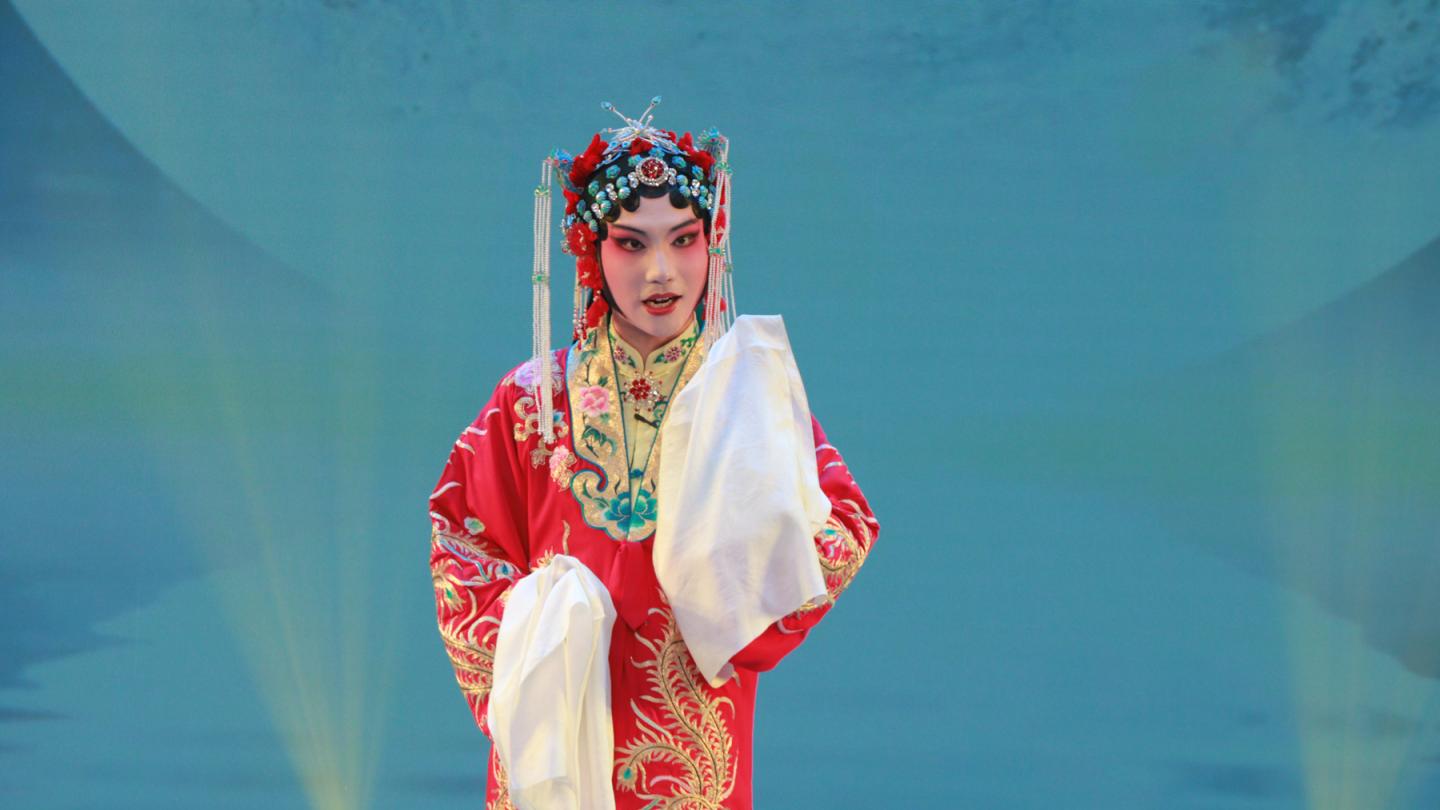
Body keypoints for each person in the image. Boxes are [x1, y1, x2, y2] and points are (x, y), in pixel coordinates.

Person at [428, 98, 879, 809]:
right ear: (592, 250)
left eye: (684, 239)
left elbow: (843, 521)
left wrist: (738, 596)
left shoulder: (745, 397)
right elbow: (462, 538)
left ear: (713, 243)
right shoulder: (532, 401)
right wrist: (541, 627)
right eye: (632, 244)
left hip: (694, 731)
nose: (662, 271)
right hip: (560, 732)